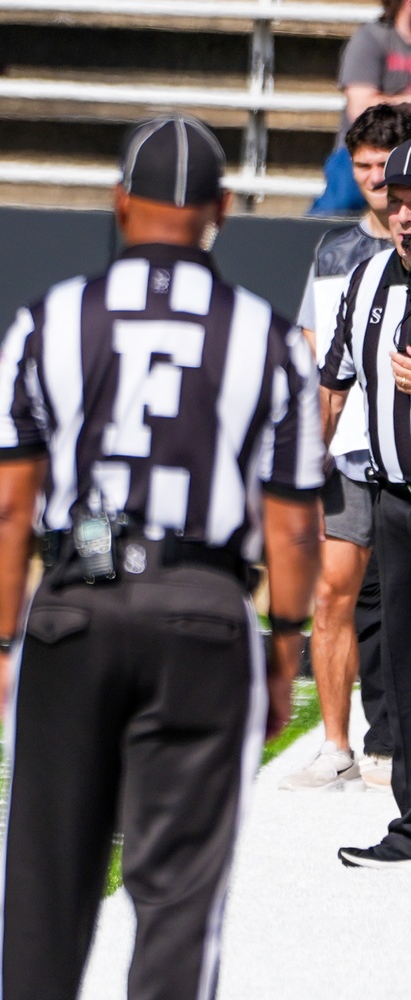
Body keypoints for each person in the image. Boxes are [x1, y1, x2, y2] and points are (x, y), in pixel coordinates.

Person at [0, 115, 322, 997]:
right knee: (178, 901)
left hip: (77, 599)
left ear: (120, 200)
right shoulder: (270, 336)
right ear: (222, 208)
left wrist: (9, 637)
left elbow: (8, 504)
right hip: (205, 611)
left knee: (45, 889)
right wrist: (283, 650)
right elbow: (291, 525)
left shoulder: (51, 317)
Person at [281, 104, 409, 793]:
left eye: (381, 168)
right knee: (334, 595)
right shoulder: (335, 254)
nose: (372, 181)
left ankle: (394, 739)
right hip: (350, 451)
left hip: (402, 450)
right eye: (360, 166)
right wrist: (310, 446)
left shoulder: (401, 252)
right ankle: (339, 745)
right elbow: (313, 352)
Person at [323, 136, 411, 868]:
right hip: (395, 501)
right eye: (400, 201)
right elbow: (336, 378)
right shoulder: (369, 277)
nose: (407, 215)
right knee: (403, 667)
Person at [311, 1, 411, 216]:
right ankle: (310, 244)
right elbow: (359, 107)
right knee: (339, 203)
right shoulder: (371, 38)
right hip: (367, 149)